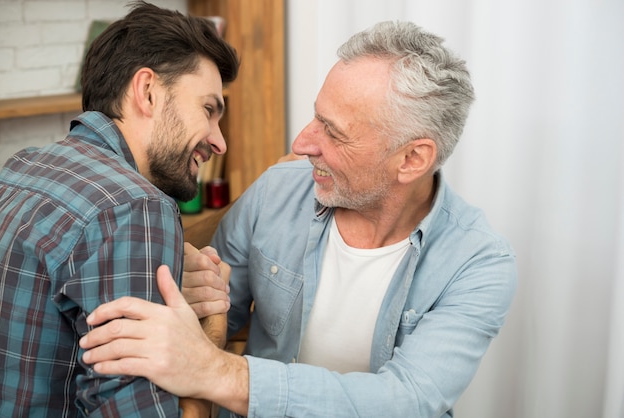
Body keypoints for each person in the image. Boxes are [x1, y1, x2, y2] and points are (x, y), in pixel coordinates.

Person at [79, 20, 518, 417]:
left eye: (334, 131)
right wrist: (198, 300)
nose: (302, 142)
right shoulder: (277, 190)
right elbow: (215, 315)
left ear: (412, 159)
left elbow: (407, 401)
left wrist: (220, 374)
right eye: (316, 116)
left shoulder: (477, 262)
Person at [0, 2, 238, 417]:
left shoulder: (22, 167)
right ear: (147, 91)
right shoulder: (136, 206)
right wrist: (211, 324)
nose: (220, 142)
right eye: (208, 110)